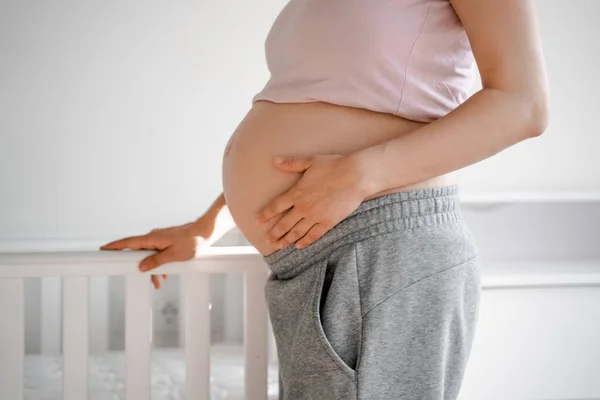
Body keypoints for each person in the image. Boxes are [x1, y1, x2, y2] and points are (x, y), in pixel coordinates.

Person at [101, 0, 549, 398]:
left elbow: (523, 104)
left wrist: (359, 177)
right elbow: (317, 129)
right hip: (332, 254)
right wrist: (210, 224)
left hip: (380, 244)